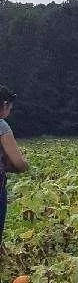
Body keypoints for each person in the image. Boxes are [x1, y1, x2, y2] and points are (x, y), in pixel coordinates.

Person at [0, 86, 29, 248]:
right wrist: (24, 166)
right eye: (9, 107)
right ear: (4, 105)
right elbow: (18, 163)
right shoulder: (1, 126)